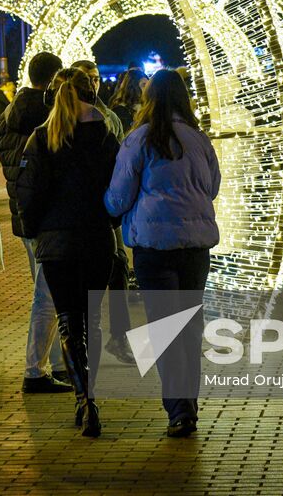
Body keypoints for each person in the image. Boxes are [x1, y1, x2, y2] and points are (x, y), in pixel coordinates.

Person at [105, 69, 220, 438]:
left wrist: (111, 208)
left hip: (153, 246)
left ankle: (178, 409)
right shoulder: (199, 140)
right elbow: (212, 187)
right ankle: (189, 402)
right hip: (195, 246)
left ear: (149, 98)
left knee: (164, 327)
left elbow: (119, 196)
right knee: (189, 326)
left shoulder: (138, 140)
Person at [14, 70, 120, 437]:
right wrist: (112, 218)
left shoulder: (42, 138)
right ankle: (92, 395)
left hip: (57, 241)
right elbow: (117, 186)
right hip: (96, 238)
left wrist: (34, 229)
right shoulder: (105, 136)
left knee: (68, 320)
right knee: (93, 320)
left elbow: (27, 192)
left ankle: (84, 399)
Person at [0, 51, 70, 394]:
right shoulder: (47, 117)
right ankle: (35, 370)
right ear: (54, 78)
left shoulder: (8, 114)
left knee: (47, 292)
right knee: (48, 297)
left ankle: (56, 364)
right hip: (46, 218)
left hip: (22, 216)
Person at [71, 58, 135, 364]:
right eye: (87, 79)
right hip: (78, 213)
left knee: (118, 267)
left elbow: (121, 162)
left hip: (107, 208)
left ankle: (119, 336)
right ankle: (84, 346)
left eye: (96, 78)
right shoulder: (60, 120)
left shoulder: (110, 117)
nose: (94, 84)